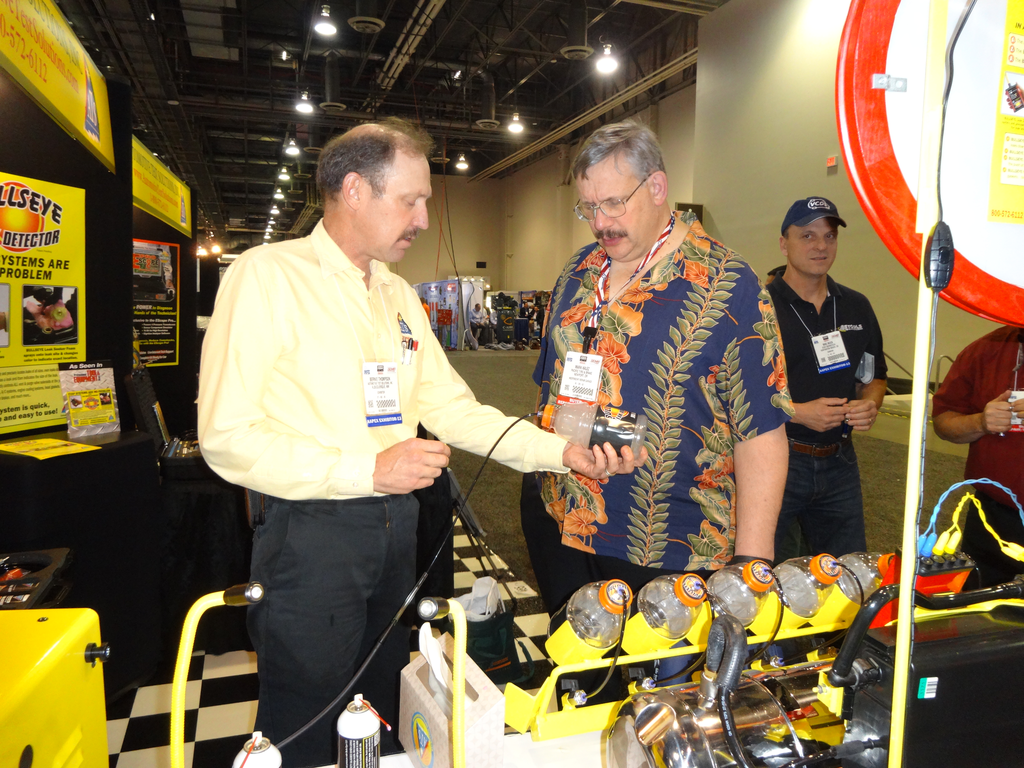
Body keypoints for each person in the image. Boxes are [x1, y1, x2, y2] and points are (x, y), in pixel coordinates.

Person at [197, 118, 642, 767]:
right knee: (305, 718)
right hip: (310, 536)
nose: (425, 218)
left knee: (381, 704)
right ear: (353, 190)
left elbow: (456, 411)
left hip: (395, 531)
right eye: (411, 199)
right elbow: (226, 437)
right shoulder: (269, 278)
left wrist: (561, 452)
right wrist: (367, 470)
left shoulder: (398, 297)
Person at [523, 119, 792, 613]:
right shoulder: (578, 271)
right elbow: (549, 391)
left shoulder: (730, 285)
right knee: (575, 678)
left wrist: (753, 562)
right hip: (560, 520)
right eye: (588, 207)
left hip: (672, 548)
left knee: (663, 690)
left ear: (657, 187)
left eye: (613, 203)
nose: (600, 222)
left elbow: (762, 432)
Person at [766, 197, 887, 562]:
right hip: (777, 458)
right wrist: (797, 412)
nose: (820, 246)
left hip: (839, 463)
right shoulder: (760, 307)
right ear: (784, 243)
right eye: (807, 235)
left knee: (850, 572)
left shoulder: (855, 306)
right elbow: (731, 391)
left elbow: (874, 376)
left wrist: (871, 404)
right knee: (764, 574)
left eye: (829, 236)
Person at [932, 325, 1024, 587]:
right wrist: (981, 422)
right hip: (994, 517)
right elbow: (943, 421)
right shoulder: (986, 350)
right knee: (977, 616)